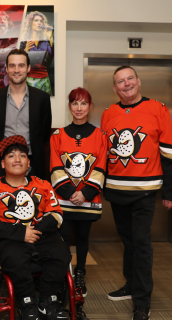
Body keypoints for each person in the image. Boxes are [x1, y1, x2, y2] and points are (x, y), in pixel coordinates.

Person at [101, 66, 172, 320]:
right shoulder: (108, 113)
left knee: (142, 243)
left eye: (130, 79)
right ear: (115, 88)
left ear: (139, 81)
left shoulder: (158, 109)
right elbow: (103, 155)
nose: (126, 84)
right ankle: (131, 286)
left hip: (145, 191)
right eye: (120, 82)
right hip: (116, 190)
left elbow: (170, 153)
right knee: (128, 242)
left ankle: (143, 302)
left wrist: (170, 192)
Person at [0, 135, 70, 320]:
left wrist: (32, 231)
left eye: (22, 155)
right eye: (11, 156)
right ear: (2, 163)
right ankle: (27, 306)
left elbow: (57, 215)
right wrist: (20, 233)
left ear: (28, 162)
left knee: (61, 253)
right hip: (8, 239)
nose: (17, 159)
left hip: (41, 234)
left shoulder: (43, 185)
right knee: (16, 259)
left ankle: (48, 303)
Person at [50, 87, 107, 297]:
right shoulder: (57, 135)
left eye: (83, 103)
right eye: (75, 103)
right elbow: (55, 167)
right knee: (63, 237)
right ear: (69, 107)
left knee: (83, 237)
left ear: (90, 107)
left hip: (88, 199)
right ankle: (65, 273)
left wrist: (85, 193)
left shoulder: (101, 135)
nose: (79, 108)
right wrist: (69, 192)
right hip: (64, 199)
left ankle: (80, 273)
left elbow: (101, 166)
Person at [0, 49, 52, 181]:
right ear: (6, 69)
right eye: (12, 65)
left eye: (21, 65)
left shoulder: (42, 98)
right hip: (1, 164)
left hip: (33, 163)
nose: (16, 70)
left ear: (28, 68)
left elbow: (44, 134)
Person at [20, 11, 54, 95]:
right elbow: (19, 61)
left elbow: (51, 56)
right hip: (30, 79)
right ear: (30, 23)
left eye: (41, 21)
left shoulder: (45, 41)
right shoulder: (24, 41)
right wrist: (25, 50)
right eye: (36, 20)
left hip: (44, 79)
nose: (39, 23)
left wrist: (49, 37)